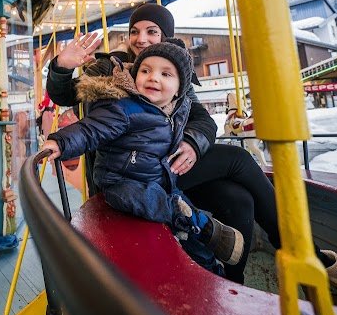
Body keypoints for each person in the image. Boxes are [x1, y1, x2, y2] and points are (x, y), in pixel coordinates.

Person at [46, 3, 337, 307]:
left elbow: (199, 117)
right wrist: (62, 68)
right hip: (135, 172)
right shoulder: (112, 69)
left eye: (152, 31)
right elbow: (72, 97)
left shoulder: (174, 69)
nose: (142, 39)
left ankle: (233, 288)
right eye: (135, 31)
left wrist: (194, 143)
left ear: (166, 37)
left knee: (239, 200)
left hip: (171, 165)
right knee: (240, 160)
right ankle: (311, 258)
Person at [43, 40, 244, 267]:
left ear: (180, 88)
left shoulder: (178, 110)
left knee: (182, 213)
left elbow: (204, 123)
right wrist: (61, 142)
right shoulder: (125, 108)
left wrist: (192, 144)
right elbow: (91, 129)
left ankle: (210, 265)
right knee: (148, 201)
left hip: (158, 179)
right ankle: (192, 222)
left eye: (166, 74)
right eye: (145, 71)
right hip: (119, 181)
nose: (153, 77)